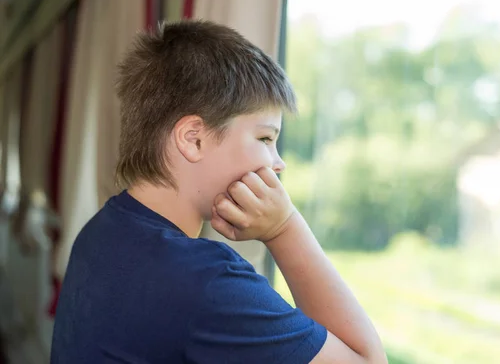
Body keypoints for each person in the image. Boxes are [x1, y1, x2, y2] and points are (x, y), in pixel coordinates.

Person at [50, 20, 387, 364]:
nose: (278, 162)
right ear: (193, 138)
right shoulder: (208, 283)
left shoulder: (102, 229)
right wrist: (284, 228)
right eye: (265, 139)